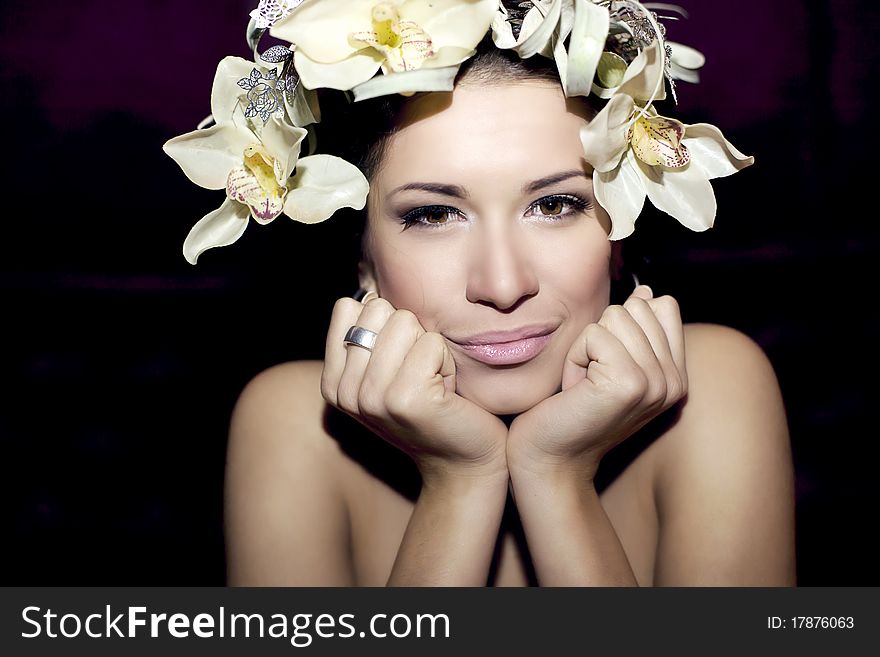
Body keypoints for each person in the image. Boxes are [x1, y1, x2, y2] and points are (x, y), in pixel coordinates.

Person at [165, 1, 796, 586]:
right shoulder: (297, 425)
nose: (502, 285)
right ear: (363, 255)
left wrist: (557, 475)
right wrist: (458, 480)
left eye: (555, 204)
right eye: (434, 216)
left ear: (619, 232)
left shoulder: (712, 386)